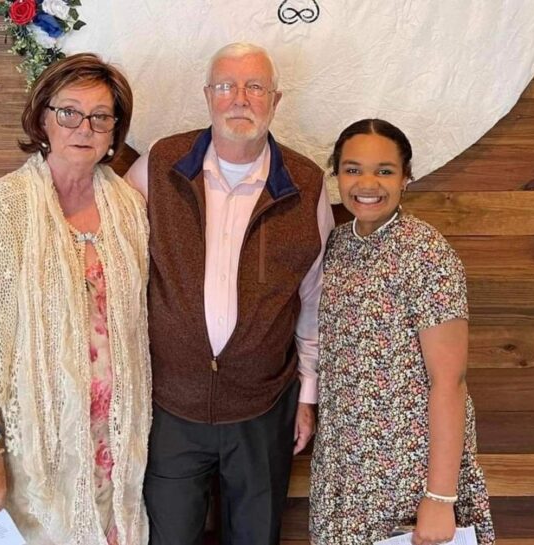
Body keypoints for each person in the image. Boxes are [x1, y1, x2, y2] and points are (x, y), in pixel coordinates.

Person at [124, 42, 334, 545]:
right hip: (171, 405)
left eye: (255, 87)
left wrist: (307, 397)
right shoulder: (159, 164)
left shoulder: (306, 185)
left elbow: (313, 303)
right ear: (207, 96)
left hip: (263, 408)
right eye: (226, 86)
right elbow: (114, 257)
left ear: (275, 100)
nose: (240, 98)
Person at [0, 53, 151, 545]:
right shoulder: (4, 206)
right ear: (43, 119)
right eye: (69, 112)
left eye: (100, 117)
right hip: (33, 451)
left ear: (114, 130)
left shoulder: (129, 206)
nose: (84, 128)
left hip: (116, 446)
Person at [309, 119, 495, 545]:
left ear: (406, 177)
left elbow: (450, 382)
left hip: (409, 480)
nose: (367, 183)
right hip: (343, 476)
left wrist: (440, 497)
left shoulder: (426, 254)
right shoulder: (336, 247)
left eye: (384, 171)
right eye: (352, 169)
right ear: (336, 175)